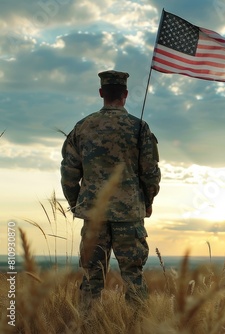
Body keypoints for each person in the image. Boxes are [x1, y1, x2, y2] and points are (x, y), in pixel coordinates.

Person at [60, 70, 161, 307]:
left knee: (91, 279)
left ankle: (87, 326)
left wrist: (78, 204)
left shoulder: (82, 127)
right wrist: (147, 202)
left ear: (101, 93)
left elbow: (69, 173)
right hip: (129, 216)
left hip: (94, 215)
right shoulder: (139, 127)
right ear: (125, 94)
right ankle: (139, 328)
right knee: (134, 278)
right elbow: (150, 173)